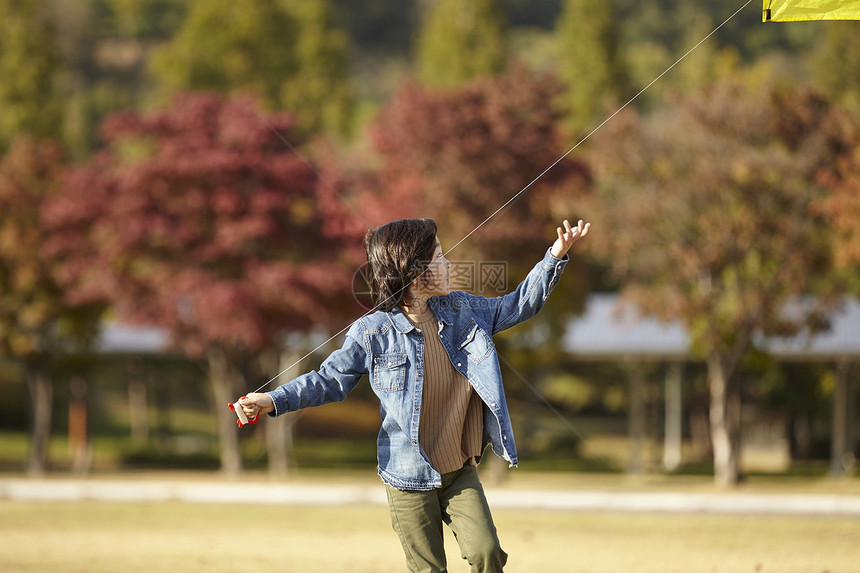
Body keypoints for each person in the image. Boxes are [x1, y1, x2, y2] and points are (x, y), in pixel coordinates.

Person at [237, 217, 590, 573]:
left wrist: (556, 255)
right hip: (408, 478)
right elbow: (327, 380)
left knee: (487, 553)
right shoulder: (372, 332)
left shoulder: (463, 311)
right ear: (414, 270)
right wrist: (272, 400)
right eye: (440, 256)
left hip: (458, 471)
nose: (449, 263)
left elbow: (519, 304)